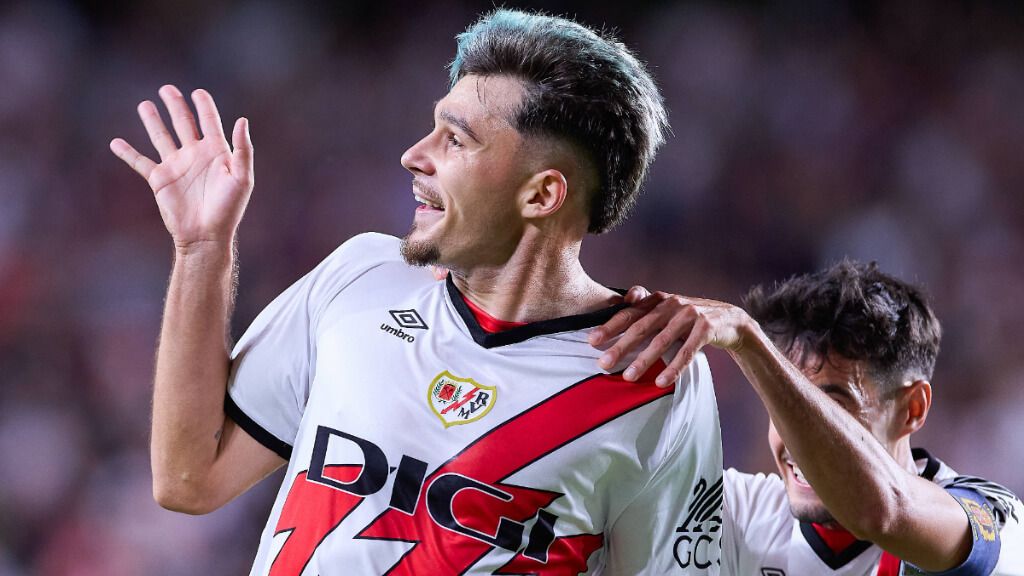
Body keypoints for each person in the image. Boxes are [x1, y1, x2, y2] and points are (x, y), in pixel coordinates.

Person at [109, 9, 723, 575]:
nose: (413, 156)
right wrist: (202, 249)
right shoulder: (361, 276)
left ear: (542, 194)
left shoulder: (652, 374)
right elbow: (188, 479)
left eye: (456, 140)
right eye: (432, 128)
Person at [591, 261, 1023, 574]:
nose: (796, 437)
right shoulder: (733, 515)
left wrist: (749, 340)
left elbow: (882, 511)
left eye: (830, 406)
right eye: (785, 402)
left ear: (912, 409)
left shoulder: (995, 521)